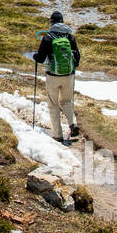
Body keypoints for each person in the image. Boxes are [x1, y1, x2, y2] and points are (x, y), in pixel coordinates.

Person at [35, 11, 81, 144]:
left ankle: (57, 135)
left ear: (51, 22)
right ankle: (72, 124)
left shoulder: (48, 37)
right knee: (66, 101)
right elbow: (77, 58)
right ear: (62, 21)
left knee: (53, 104)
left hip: (53, 76)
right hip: (68, 76)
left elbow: (40, 58)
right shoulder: (70, 36)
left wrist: (35, 57)